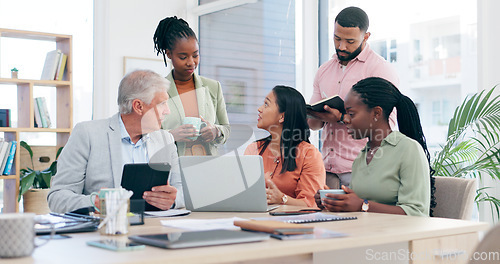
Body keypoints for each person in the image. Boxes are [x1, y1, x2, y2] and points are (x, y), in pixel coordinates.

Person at [48, 70, 184, 213]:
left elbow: (182, 191)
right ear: (138, 106)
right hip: (106, 230)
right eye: (162, 103)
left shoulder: (165, 140)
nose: (167, 111)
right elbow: (57, 198)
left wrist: (173, 200)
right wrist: (95, 202)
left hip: (156, 230)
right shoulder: (87, 134)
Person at [307, 6, 399, 189]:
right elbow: (313, 125)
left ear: (366, 37)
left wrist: (341, 118)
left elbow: (388, 124)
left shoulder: (379, 69)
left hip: (363, 171)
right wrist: (314, 114)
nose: (342, 46)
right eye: (337, 38)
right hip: (326, 172)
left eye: (350, 41)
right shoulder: (324, 71)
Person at [318, 77, 436, 217]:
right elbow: (360, 202)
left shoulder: (409, 149)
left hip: (396, 236)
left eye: (351, 114)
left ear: (376, 113)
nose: (346, 119)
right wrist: (336, 202)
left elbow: (417, 213)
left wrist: (363, 205)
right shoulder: (362, 156)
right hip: (365, 233)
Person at [153, 16, 230, 156]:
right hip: (173, 167)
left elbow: (226, 128)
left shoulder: (213, 87)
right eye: (183, 57)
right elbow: (147, 136)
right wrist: (172, 135)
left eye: (195, 55)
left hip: (209, 165)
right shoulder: (157, 90)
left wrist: (216, 131)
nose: (191, 62)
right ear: (169, 54)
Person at [244, 86, 325, 207]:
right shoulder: (254, 149)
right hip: (256, 219)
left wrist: (282, 199)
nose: (259, 109)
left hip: (292, 221)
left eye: (266, 104)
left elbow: (310, 203)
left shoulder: (309, 154)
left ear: (282, 117)